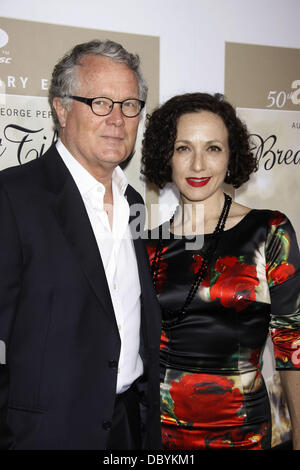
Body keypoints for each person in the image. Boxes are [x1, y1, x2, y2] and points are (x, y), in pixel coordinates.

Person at [0, 39, 161, 450]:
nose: (118, 119)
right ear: (61, 108)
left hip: (130, 428)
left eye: (129, 105)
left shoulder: (135, 203)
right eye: (100, 102)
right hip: (46, 435)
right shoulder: (13, 196)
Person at [142, 92, 300, 450]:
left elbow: (293, 347)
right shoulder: (147, 245)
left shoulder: (268, 231)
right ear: (166, 156)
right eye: (183, 148)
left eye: (213, 148)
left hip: (244, 436)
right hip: (161, 436)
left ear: (231, 158)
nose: (198, 165)